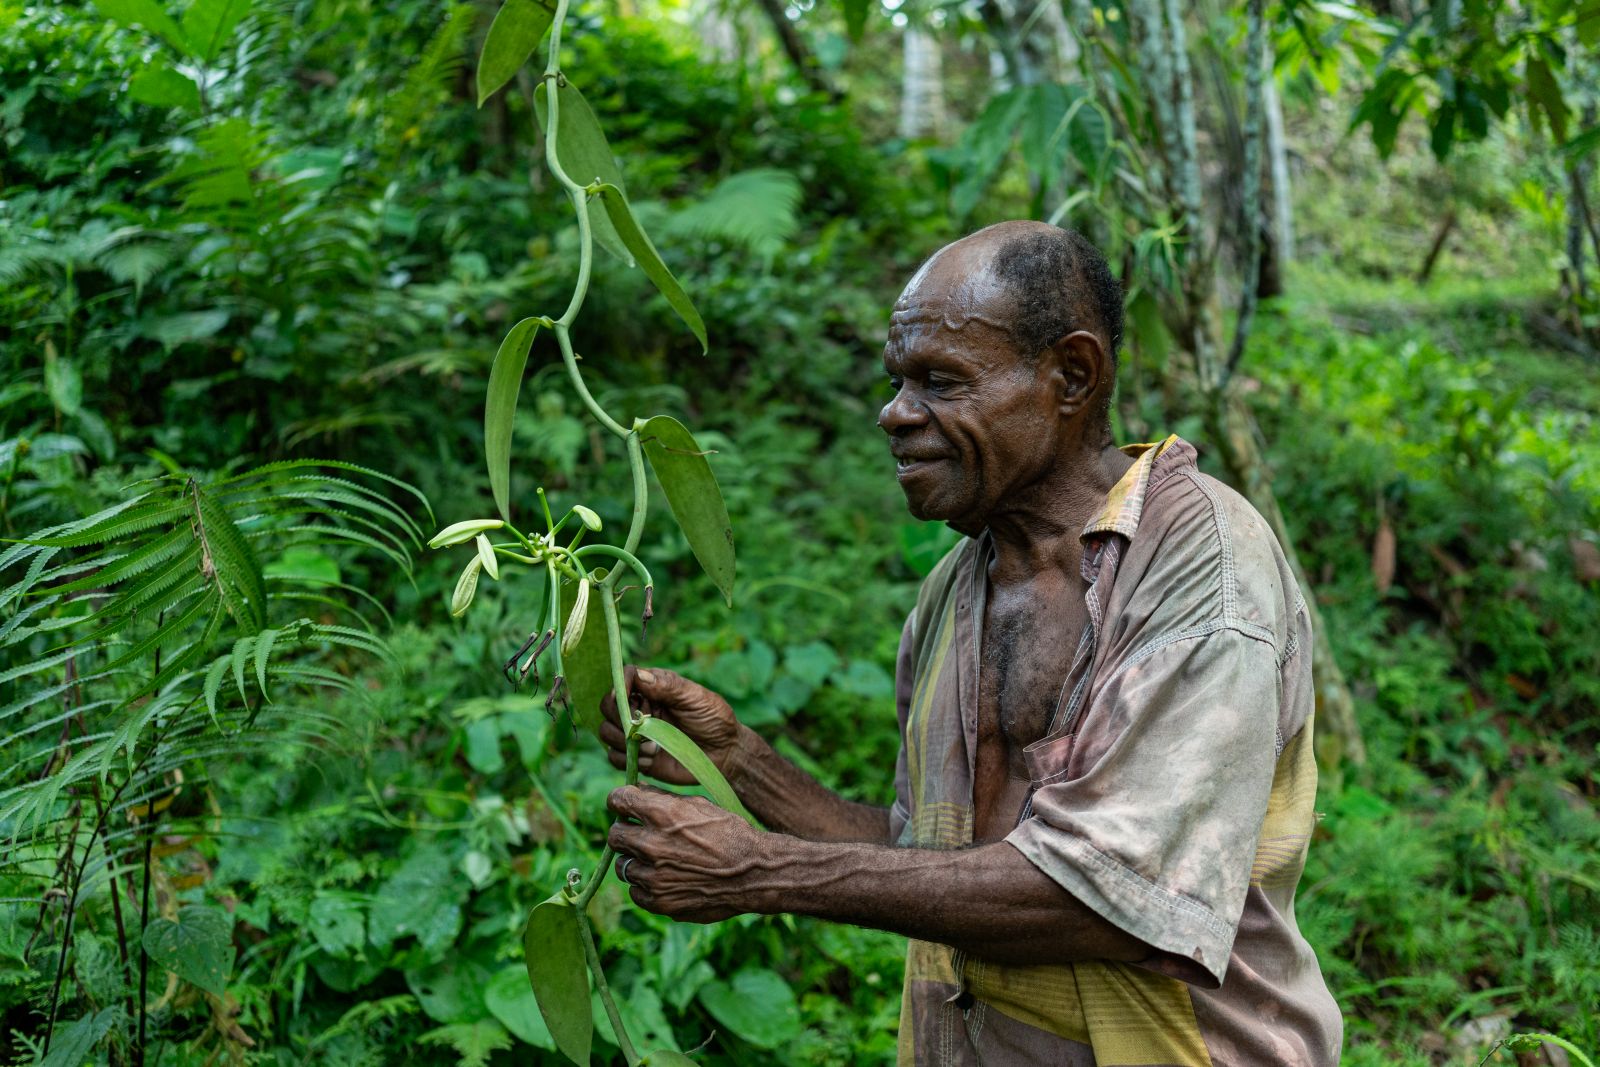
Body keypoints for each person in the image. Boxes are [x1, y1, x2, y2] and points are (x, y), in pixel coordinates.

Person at [598, 220, 1343, 1065]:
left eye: (941, 382)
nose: (895, 413)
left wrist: (758, 872)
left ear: (1072, 375)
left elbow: (1106, 897)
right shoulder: (954, 590)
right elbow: (931, 864)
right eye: (896, 382)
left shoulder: (1203, 565)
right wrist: (738, 762)